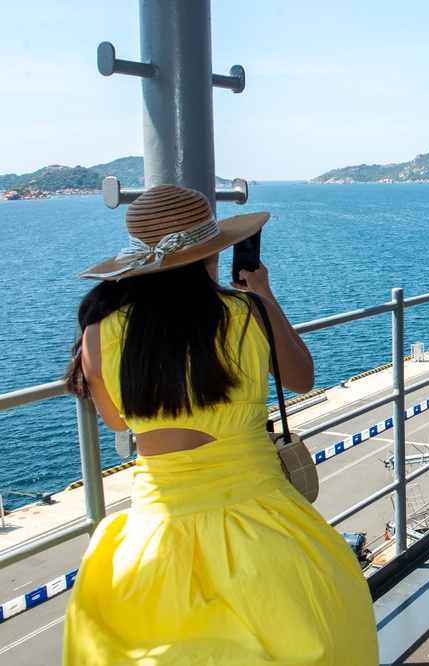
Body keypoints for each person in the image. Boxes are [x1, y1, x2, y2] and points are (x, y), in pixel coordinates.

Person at [62, 185, 379, 664]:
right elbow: (301, 379)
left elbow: (116, 421)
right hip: (260, 520)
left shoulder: (98, 327)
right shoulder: (244, 312)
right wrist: (265, 294)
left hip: (152, 528)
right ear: (209, 254)